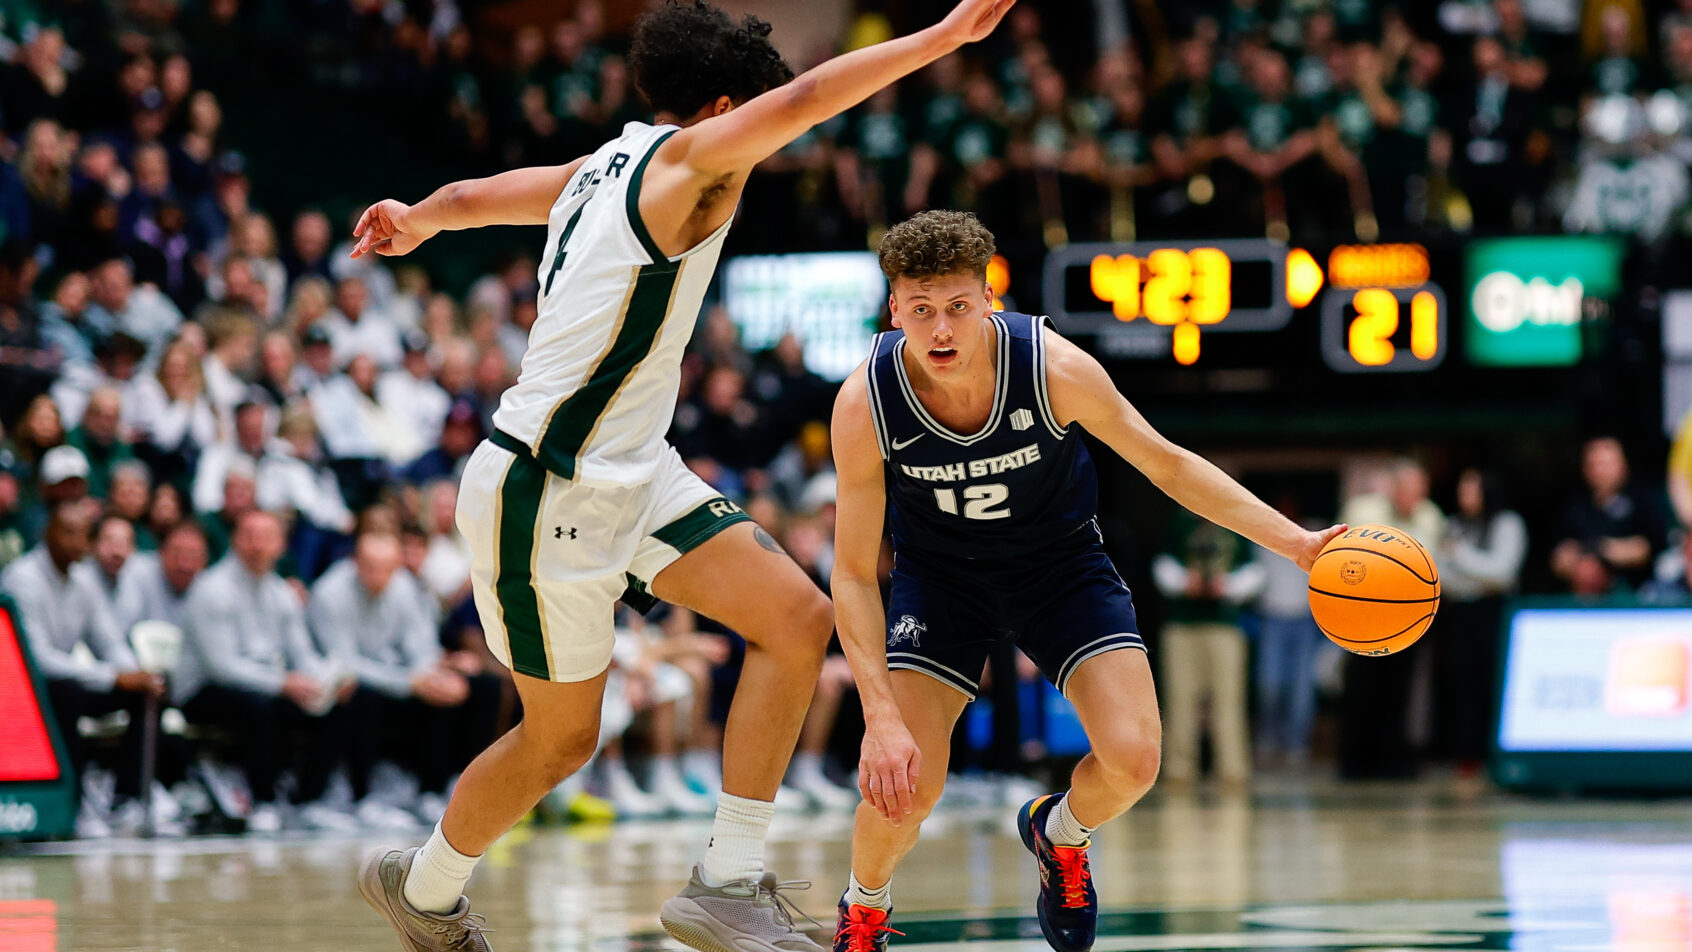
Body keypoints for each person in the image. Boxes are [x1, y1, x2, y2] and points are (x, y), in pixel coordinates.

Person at [349, 5, 1020, 952]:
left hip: (633, 468)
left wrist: (419, 217)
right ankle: (423, 889)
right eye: (752, 119)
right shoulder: (692, 162)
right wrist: (944, 39)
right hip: (545, 488)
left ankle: (729, 882)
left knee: (795, 619)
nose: (764, 139)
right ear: (718, 110)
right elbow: (819, 94)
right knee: (561, 742)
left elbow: (484, 196)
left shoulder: (603, 167)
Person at [827, 210, 1339, 952]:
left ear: (988, 299)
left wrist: (1294, 544)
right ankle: (864, 912)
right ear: (894, 309)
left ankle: (1059, 833)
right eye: (922, 309)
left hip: (1059, 567)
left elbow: (1166, 464)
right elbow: (849, 571)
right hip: (942, 582)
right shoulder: (863, 402)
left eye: (959, 308)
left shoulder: (1053, 368)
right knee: (907, 784)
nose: (941, 330)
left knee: (1135, 759)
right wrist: (878, 715)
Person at [176, 508, 354, 834]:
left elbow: (302, 654)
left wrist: (330, 681)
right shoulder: (211, 587)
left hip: (263, 686)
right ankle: (264, 801)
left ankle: (309, 801)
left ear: (281, 545)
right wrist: (284, 683)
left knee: (334, 705)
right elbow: (222, 667)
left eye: (267, 537)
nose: (258, 545)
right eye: (250, 536)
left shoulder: (281, 593)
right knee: (258, 705)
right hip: (201, 690)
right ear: (235, 541)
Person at [308, 531, 500, 828]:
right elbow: (344, 663)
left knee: (479, 687)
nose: (379, 576)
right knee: (362, 694)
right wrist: (411, 682)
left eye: (387, 568)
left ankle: (442, 789)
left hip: (401, 678)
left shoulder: (403, 586)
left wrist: (431, 676)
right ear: (354, 561)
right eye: (370, 567)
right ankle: (363, 798)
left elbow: (420, 645)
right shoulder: (329, 593)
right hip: (347, 684)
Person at [0, 504, 166, 836]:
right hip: (18, 691)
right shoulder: (21, 578)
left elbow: (108, 640)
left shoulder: (83, 580)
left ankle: (126, 800)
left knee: (146, 691)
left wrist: (135, 673)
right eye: (68, 533)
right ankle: (74, 804)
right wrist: (112, 677)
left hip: (63, 682)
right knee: (67, 693)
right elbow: (37, 659)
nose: (77, 543)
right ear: (48, 534)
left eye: (84, 536)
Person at [1434, 468, 1526, 772]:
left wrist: (1460, 555)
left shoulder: (1507, 523)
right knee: (1460, 686)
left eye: (1472, 489)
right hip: (1460, 614)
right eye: (1462, 489)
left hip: (1494, 614)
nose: (1465, 495)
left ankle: (1493, 757)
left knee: (1493, 683)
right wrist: (1475, 577)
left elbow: (1502, 573)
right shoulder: (1454, 524)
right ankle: (1465, 757)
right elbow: (1440, 575)